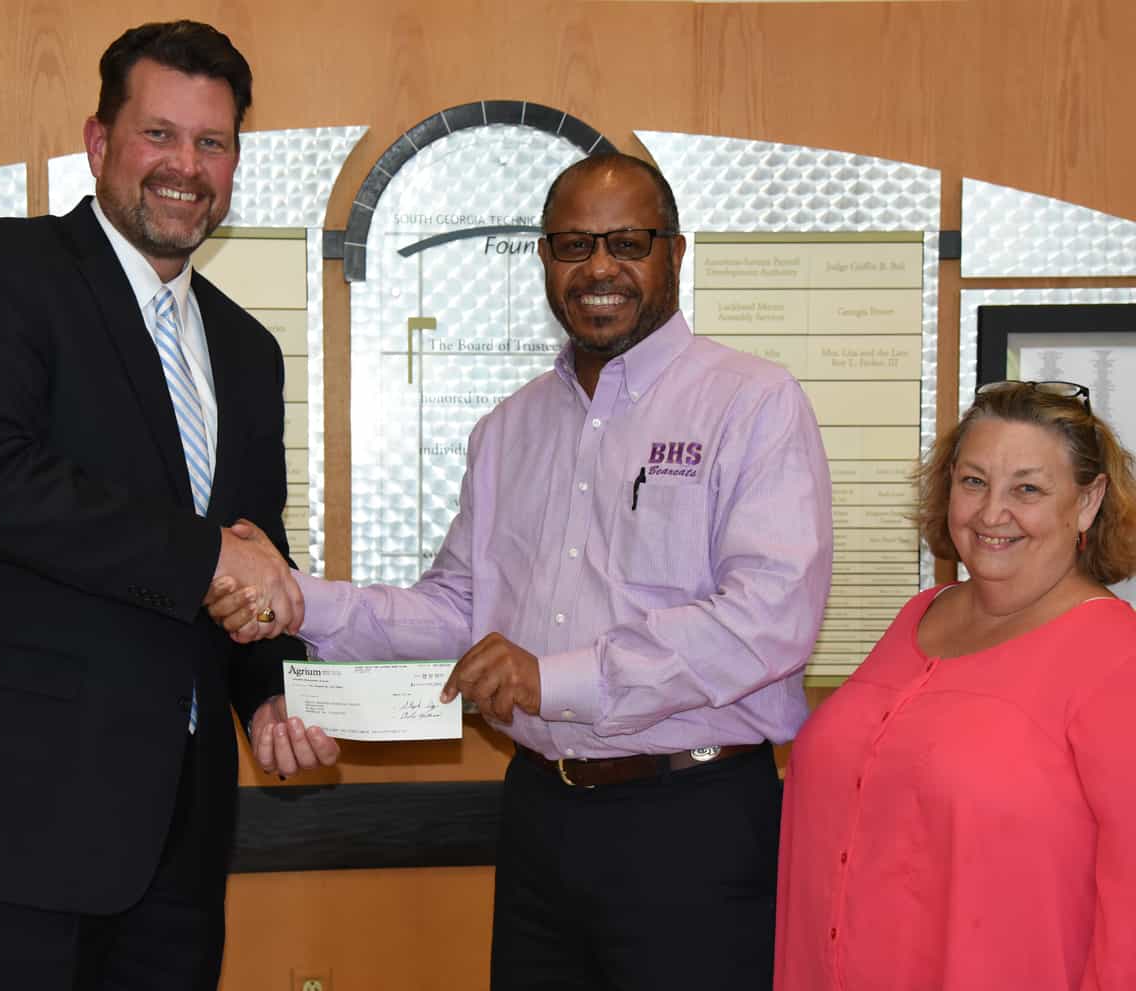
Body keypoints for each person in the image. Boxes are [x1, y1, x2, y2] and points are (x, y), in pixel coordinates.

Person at [209, 152, 833, 989]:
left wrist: (553, 678)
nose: (600, 267)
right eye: (575, 245)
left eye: (628, 241)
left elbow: (767, 619)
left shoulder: (751, 403)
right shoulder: (509, 428)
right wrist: (295, 600)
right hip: (541, 816)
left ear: (675, 252)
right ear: (545, 258)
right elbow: (460, 609)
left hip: (694, 821)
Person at [0, 20, 335, 990]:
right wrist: (208, 559)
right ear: (98, 140)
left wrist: (273, 686)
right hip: (11, 831)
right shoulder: (2, 270)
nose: (184, 167)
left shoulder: (246, 350)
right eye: (158, 134)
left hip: (180, 838)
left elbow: (252, 545)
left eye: (212, 143)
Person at [774, 380, 1136, 990]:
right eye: (973, 482)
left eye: (1028, 488)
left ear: (1087, 500)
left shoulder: (1114, 656)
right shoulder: (919, 614)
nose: (992, 513)